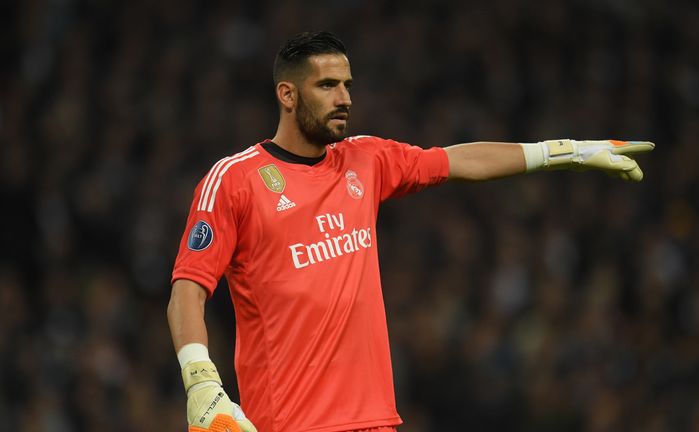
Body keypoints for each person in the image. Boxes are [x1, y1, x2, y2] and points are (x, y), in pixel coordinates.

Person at [167, 31, 653, 432]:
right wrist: (201, 379)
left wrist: (563, 151)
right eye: (328, 85)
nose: (345, 99)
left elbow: (459, 161)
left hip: (376, 421)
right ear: (287, 94)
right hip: (290, 424)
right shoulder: (235, 179)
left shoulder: (365, 158)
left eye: (348, 85)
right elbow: (188, 288)